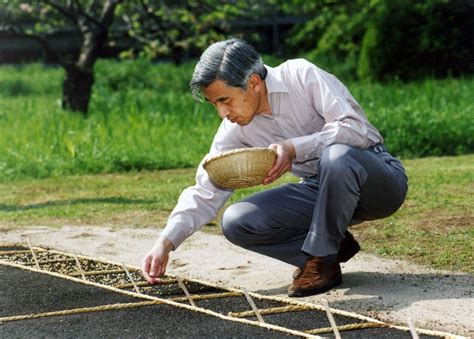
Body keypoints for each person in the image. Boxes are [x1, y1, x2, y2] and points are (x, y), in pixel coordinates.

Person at [142, 38, 408, 297]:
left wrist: (295, 147)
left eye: (225, 100)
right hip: (318, 192)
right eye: (215, 104)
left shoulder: (301, 75)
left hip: (375, 182)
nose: (223, 113)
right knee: (237, 221)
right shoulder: (234, 129)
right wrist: (165, 243)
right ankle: (327, 252)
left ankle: (321, 256)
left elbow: (355, 129)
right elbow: (206, 188)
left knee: (336, 157)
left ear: (254, 83)